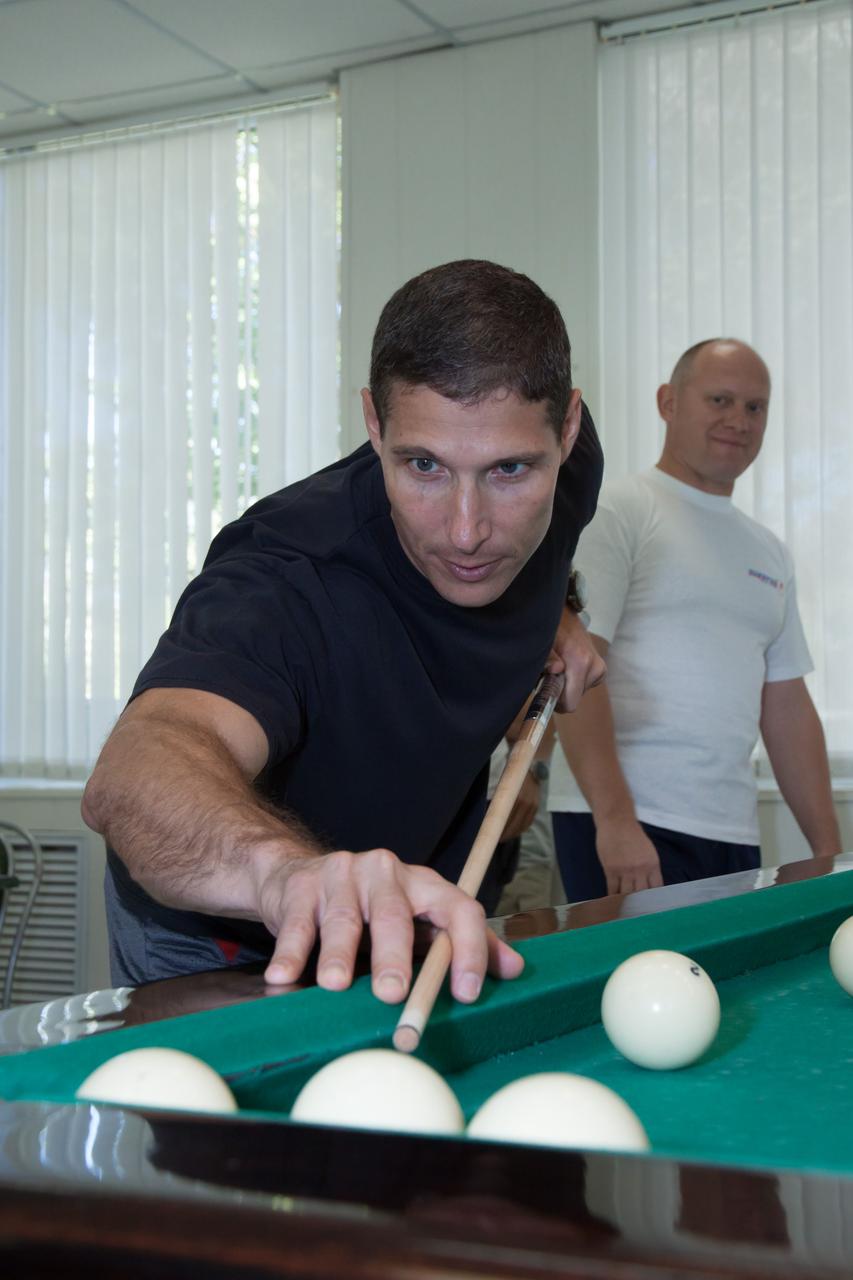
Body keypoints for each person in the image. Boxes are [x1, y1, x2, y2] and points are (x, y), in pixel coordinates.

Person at [82, 259, 606, 1002]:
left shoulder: (572, 470)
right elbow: (138, 772)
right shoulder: (287, 575)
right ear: (372, 423)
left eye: (509, 470)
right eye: (422, 465)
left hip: (398, 903)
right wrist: (289, 876)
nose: (466, 532)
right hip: (218, 929)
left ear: (569, 429)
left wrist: (559, 611)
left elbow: (546, 551)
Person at [549, 338, 841, 901]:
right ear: (668, 402)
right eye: (720, 400)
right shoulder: (619, 511)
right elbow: (574, 668)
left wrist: (829, 853)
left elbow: (787, 709)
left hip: (730, 831)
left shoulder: (769, 552)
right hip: (628, 826)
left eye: (755, 407)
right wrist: (615, 822)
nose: (739, 420)